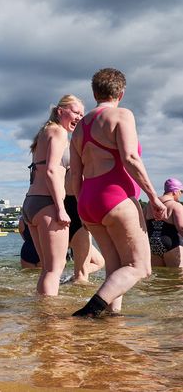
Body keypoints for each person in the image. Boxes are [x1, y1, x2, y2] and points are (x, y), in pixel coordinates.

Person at [70, 68, 166, 317]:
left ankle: (111, 322)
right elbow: (131, 157)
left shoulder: (80, 129)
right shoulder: (122, 115)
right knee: (140, 267)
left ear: (94, 93)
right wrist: (154, 197)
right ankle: (88, 312)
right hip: (115, 197)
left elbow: (74, 174)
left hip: (89, 201)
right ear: (121, 93)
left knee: (116, 268)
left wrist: (81, 207)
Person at [22, 94, 84, 296]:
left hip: (31, 203)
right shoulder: (58, 132)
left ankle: (42, 316)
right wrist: (61, 208)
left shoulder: (44, 132)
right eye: (75, 112)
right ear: (60, 111)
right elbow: (51, 171)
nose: (79, 117)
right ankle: (51, 321)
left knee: (47, 270)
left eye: (82, 114)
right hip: (48, 204)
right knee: (54, 270)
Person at [144, 178, 183, 268]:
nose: (181, 195)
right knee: (176, 277)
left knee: (158, 278)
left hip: (152, 244)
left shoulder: (149, 205)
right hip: (171, 244)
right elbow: (181, 227)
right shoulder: (176, 206)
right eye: (181, 192)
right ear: (175, 192)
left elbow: (143, 225)